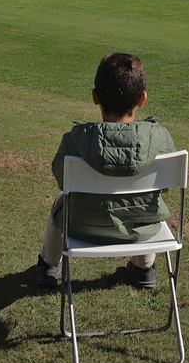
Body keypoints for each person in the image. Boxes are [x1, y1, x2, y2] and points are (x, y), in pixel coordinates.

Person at [33, 52, 177, 291]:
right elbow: (167, 185)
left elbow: (62, 179)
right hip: (142, 227)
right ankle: (143, 269)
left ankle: (47, 268)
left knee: (60, 203)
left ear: (95, 97)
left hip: (82, 225)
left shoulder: (75, 140)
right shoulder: (160, 139)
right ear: (142, 99)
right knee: (143, 204)